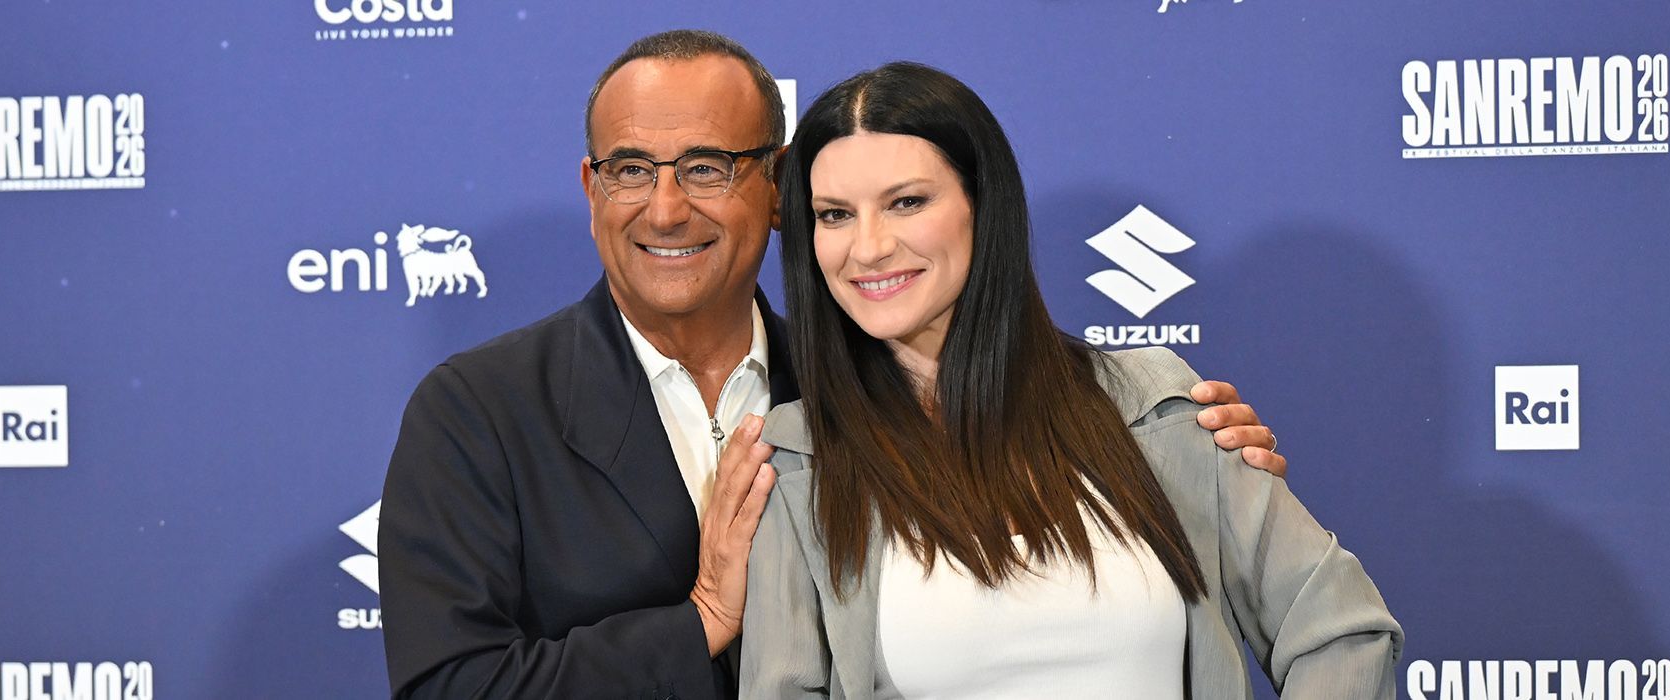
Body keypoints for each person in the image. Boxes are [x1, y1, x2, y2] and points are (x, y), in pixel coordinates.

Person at [379, 31, 1286, 699]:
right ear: (591, 188)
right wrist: (699, 622)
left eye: (705, 168)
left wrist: (1183, 461)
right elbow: (449, 687)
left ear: (777, 188)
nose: (664, 209)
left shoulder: (883, 386)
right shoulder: (478, 411)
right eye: (630, 169)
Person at [741, 62, 1401, 699]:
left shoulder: (1152, 406)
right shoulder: (800, 463)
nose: (868, 247)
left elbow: (1341, 632)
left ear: (983, 206)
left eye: (906, 202)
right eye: (835, 214)